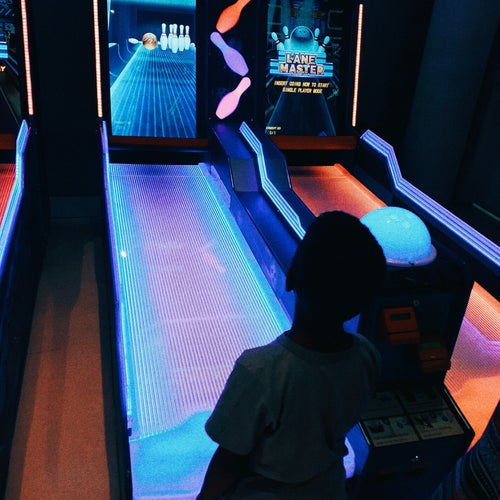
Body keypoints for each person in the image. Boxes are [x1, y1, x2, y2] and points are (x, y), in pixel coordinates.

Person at [197, 211, 387, 499]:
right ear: (361, 304)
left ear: (291, 276)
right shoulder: (367, 356)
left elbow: (229, 460)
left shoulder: (259, 371)